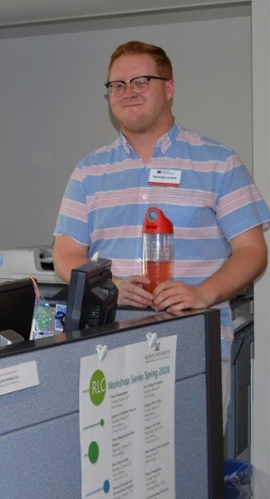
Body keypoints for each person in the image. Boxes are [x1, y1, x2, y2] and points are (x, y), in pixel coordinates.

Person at [53, 41, 270, 428]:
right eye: (116, 85)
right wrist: (112, 285)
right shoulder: (89, 172)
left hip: (192, 348)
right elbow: (66, 254)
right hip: (108, 350)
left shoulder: (219, 162)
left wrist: (203, 292)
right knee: (115, 479)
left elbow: (252, 251)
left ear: (169, 88)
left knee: (190, 476)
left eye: (141, 81)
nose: (127, 92)